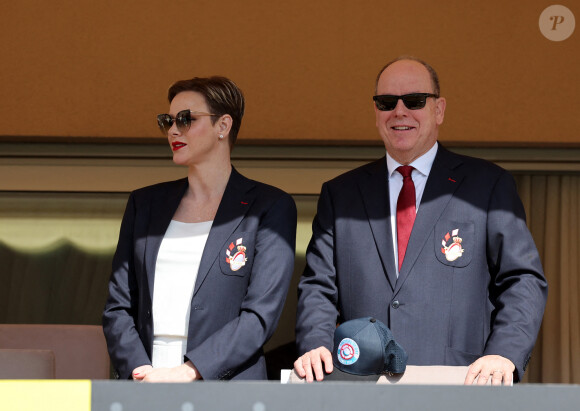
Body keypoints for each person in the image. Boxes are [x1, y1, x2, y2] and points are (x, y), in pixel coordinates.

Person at [294, 57, 547, 385]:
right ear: (376, 112)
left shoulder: (487, 185)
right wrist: (316, 344)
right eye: (386, 103)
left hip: (462, 387)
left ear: (439, 110)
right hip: (361, 387)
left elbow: (522, 280)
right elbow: (318, 286)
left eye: (414, 101)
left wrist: (505, 353)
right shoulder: (341, 194)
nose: (399, 112)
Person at [102, 76, 296, 381]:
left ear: (223, 126)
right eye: (167, 120)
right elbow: (118, 306)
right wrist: (139, 371)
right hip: (146, 383)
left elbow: (260, 316)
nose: (174, 130)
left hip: (225, 387)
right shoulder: (145, 203)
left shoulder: (269, 206)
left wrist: (190, 371)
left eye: (186, 119)